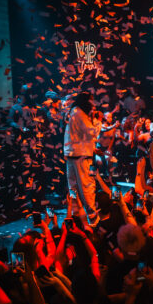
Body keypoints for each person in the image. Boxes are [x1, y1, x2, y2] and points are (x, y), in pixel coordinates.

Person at [63, 91, 101, 226]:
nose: (93, 104)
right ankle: (92, 218)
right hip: (81, 157)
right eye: (91, 100)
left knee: (73, 188)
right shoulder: (80, 113)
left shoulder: (73, 111)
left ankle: (77, 216)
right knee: (86, 187)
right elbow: (91, 132)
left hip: (72, 154)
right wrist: (98, 121)